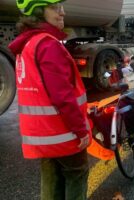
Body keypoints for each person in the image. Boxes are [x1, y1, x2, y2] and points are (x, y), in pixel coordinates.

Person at [9, 1, 92, 199]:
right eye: (55, 7)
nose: (62, 12)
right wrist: (81, 131)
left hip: (42, 134)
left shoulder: (28, 44)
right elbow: (62, 96)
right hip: (63, 133)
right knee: (76, 174)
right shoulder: (48, 45)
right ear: (39, 12)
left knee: (51, 180)